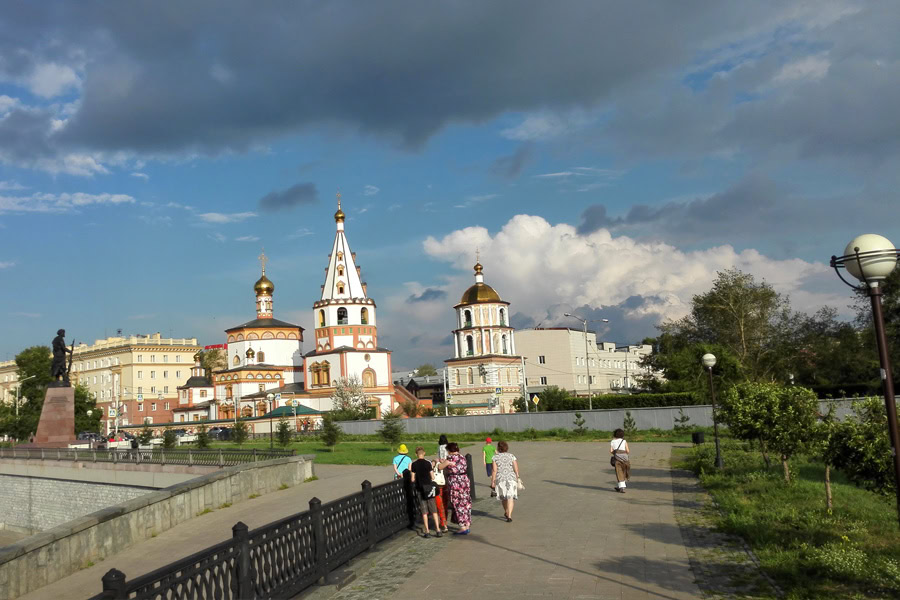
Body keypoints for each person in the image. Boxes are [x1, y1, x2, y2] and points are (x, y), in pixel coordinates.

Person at [438, 442, 471, 535]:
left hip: (455, 482)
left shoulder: (450, 458)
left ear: (449, 450)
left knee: (457, 503)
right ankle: (467, 524)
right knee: (465, 502)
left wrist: (441, 462)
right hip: (464, 481)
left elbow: (440, 467)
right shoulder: (462, 457)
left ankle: (462, 527)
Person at [410, 447, 442, 538]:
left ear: (416, 454)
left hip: (420, 489)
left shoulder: (414, 464)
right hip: (429, 489)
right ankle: (438, 530)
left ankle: (427, 531)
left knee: (424, 512)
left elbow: (412, 479)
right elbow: (432, 477)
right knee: (434, 510)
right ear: (424, 453)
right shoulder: (428, 463)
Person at [490, 441, 520, 522]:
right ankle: (509, 516)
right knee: (510, 497)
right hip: (511, 478)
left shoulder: (495, 457)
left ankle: (506, 511)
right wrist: (517, 476)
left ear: (498, 448)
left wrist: (493, 481)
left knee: (504, 497)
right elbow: (516, 468)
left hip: (501, 479)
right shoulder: (512, 456)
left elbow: (494, 470)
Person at [610, 428, 631, 493]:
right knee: (624, 472)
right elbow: (628, 451)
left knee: (619, 472)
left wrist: (616, 453)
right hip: (625, 459)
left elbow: (611, 451)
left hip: (617, 459)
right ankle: (620, 487)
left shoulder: (612, 441)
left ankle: (621, 487)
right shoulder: (624, 441)